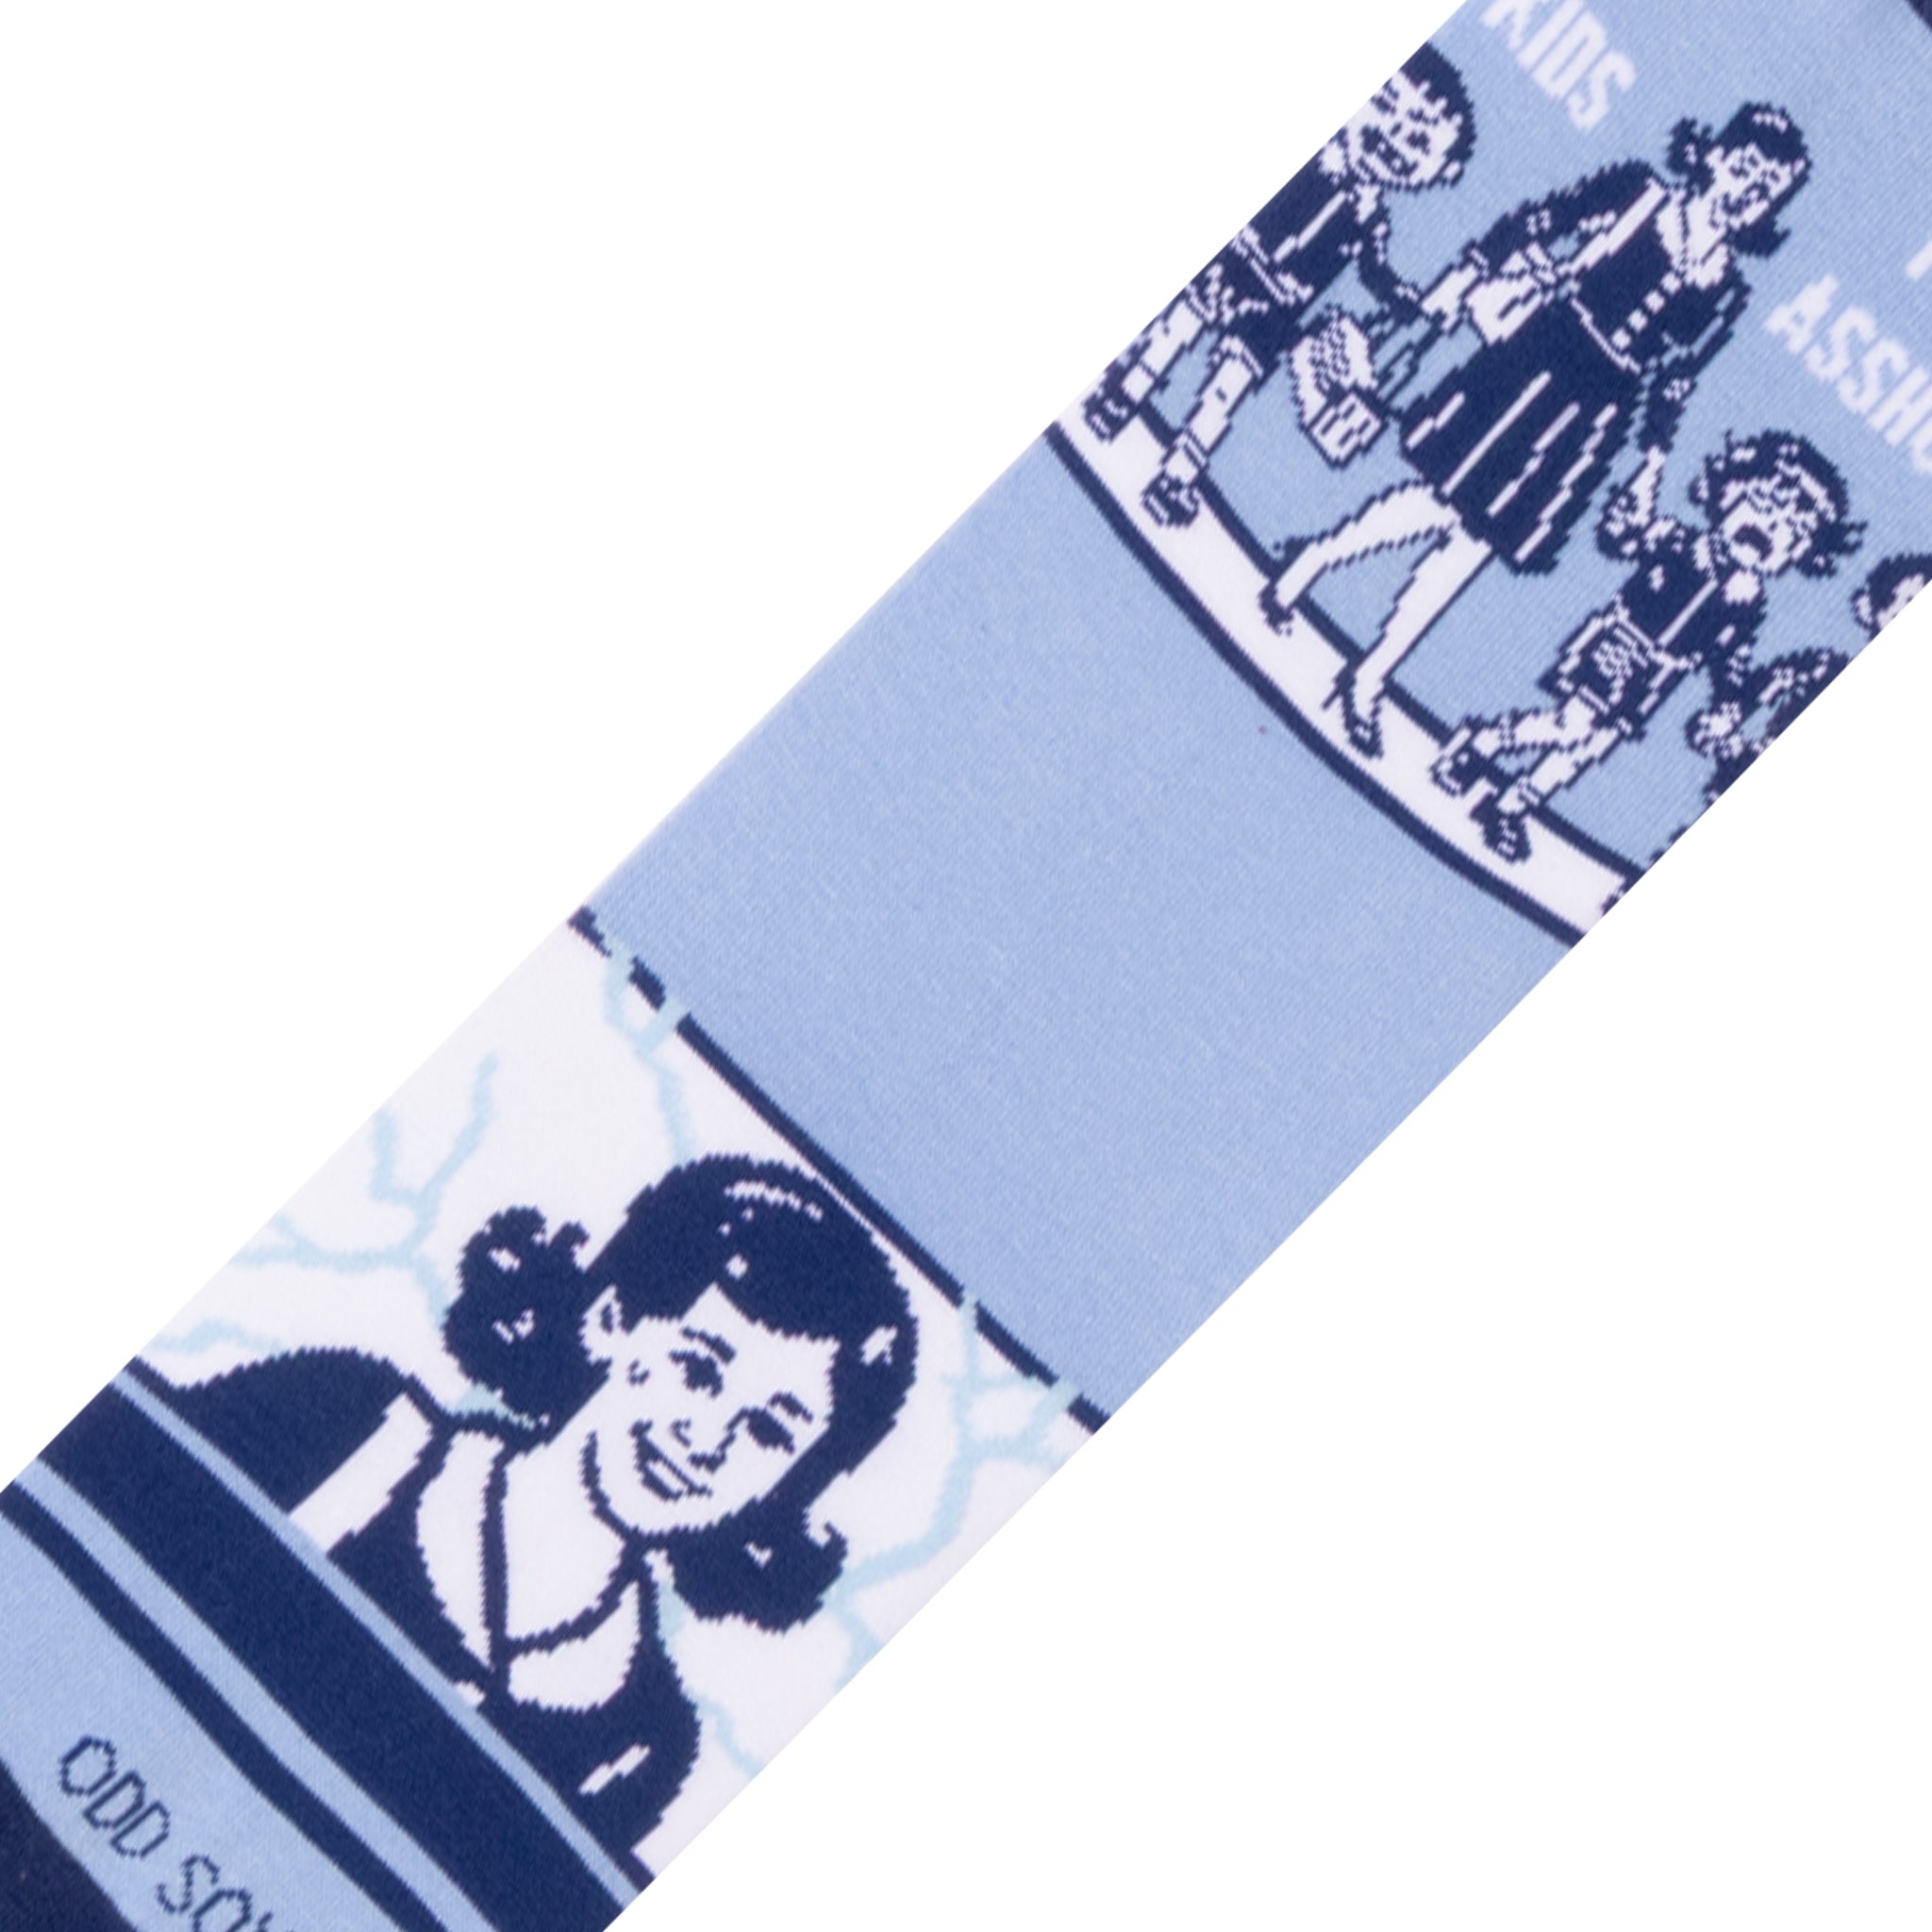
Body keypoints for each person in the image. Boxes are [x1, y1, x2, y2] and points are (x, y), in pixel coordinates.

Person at [148, 1156, 918, 1874]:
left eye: (769, 1432)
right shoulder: (349, 1421)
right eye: (697, 1369)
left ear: (793, 1483)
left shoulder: (646, 1741)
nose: (707, 1439)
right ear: (612, 1322)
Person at [1262, 103, 1813, 758]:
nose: (1749, 191)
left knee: (1479, 543)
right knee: (1440, 502)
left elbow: (1675, 378)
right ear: (1714, 156)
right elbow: (1541, 221)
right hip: (1541, 355)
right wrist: (1461, 280)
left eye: (1767, 189)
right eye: (1745, 168)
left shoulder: (1727, 289)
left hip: (1599, 408)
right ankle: (1315, 561)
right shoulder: (1641, 192)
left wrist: (1650, 468)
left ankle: (1371, 672)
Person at [1082, 45, 1475, 525]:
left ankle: (1177, 474)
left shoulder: (1370, 218)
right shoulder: (1317, 156)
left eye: (1417, 140)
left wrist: (1404, 300)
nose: (1392, 136)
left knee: (1226, 388)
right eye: (1386, 105)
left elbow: (1374, 271)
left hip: (1278, 308)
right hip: (1236, 258)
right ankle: (1121, 395)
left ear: (1443, 172)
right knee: (1176, 331)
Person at [1429, 429, 1860, 863]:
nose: (1768, 528)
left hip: (1658, 678)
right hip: (1619, 643)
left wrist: (1727, 704)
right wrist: (1644, 481)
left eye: (1793, 531)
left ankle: (1511, 807)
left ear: (1801, 553)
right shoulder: (1680, 540)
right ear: (1729, 490)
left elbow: (1729, 660)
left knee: (1589, 749)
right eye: (1763, 503)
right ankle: (1478, 748)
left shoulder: (1746, 602)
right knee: (1569, 725)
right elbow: (1624, 538)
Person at [1688, 549, 1932, 797]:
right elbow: (1764, 685)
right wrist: (1729, 717)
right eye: (1898, 603)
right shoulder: (1826, 669)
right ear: (1870, 612)